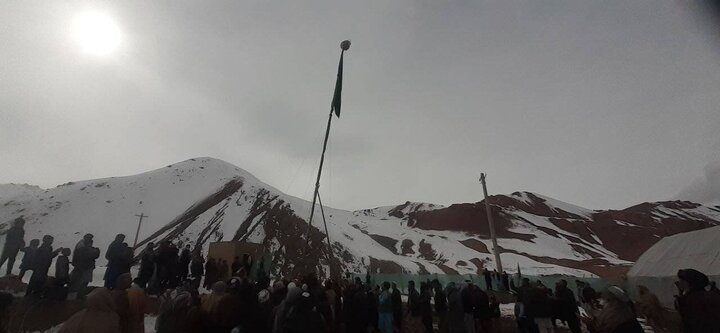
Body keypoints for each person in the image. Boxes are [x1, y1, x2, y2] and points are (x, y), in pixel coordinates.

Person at [674, 268, 720, 333]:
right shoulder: (712, 294)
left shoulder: (692, 299)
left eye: (682, 280)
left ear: (688, 283)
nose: (679, 282)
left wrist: (681, 297)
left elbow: (687, 319)